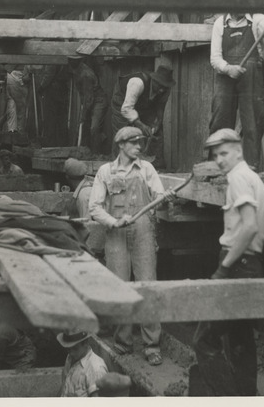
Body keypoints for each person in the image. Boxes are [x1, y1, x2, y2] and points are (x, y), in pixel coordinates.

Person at [188, 128, 264, 397]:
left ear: (239, 150)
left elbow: (248, 228)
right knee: (240, 339)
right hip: (251, 265)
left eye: (224, 153)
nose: (220, 160)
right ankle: (247, 396)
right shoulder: (252, 178)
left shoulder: (238, 179)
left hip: (237, 264)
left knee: (203, 341)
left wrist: (224, 269)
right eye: (215, 156)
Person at [89, 126, 174, 366]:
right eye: (135, 143)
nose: (139, 147)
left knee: (147, 286)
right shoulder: (106, 171)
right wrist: (114, 222)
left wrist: (164, 198)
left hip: (143, 232)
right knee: (120, 287)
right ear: (122, 145)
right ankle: (123, 342)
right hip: (116, 234)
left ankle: (151, 345)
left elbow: (158, 195)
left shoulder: (147, 169)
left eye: (141, 143)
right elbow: (95, 208)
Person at [209, 0, 264, 171]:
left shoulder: (257, 19)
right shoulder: (220, 23)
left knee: (253, 123)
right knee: (220, 120)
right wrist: (229, 69)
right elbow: (215, 58)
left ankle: (251, 167)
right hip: (226, 75)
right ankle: (216, 167)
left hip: (252, 77)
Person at [110, 65, 175, 166]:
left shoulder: (165, 89)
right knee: (122, 130)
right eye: (160, 86)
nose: (162, 90)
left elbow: (160, 107)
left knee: (156, 131)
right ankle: (119, 165)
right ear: (154, 81)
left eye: (164, 87)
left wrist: (157, 122)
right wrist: (140, 124)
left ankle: (157, 164)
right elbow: (126, 109)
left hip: (144, 103)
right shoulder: (137, 83)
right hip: (123, 100)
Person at [68, 56, 107, 154]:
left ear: (78, 60)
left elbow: (89, 98)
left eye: (73, 60)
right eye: (70, 59)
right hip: (90, 100)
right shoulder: (77, 70)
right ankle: (85, 152)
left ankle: (96, 154)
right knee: (86, 127)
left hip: (98, 101)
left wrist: (83, 115)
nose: (70, 62)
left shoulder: (85, 74)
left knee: (94, 127)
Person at [57, 331, 109, 397]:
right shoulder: (70, 357)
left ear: (86, 343)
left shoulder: (96, 369)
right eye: (68, 349)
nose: (71, 353)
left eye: (75, 349)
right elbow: (64, 387)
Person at [6, 69, 30, 135]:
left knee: (11, 106)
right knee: (20, 109)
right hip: (17, 81)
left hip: (9, 78)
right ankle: (19, 132)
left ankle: (12, 130)